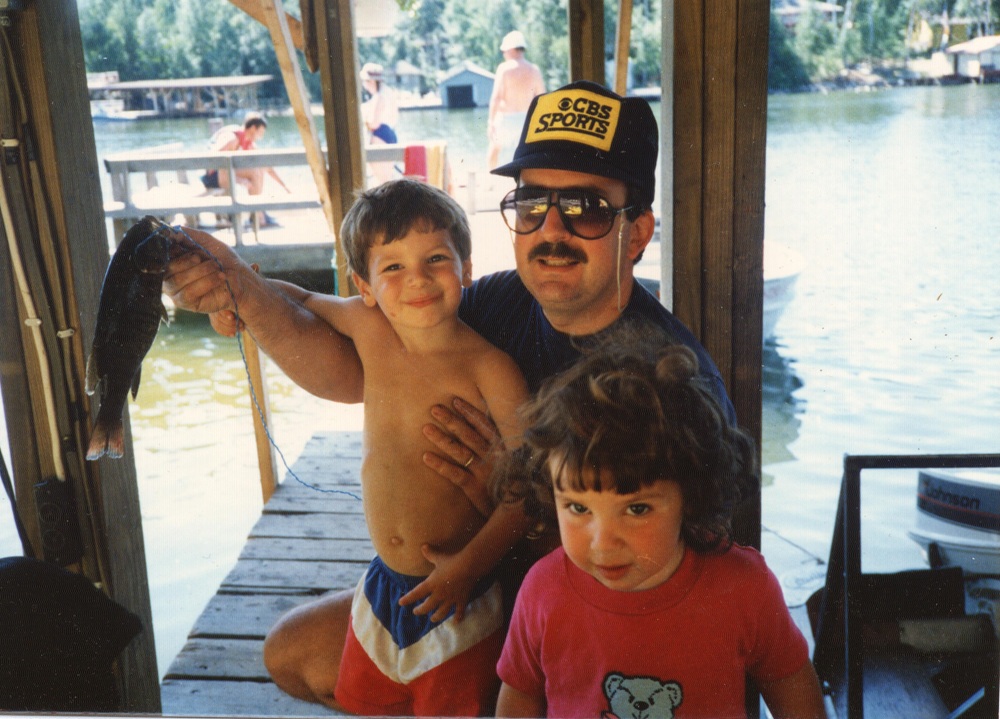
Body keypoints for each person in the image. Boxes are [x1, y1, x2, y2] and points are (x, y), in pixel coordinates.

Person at [163, 80, 739, 710]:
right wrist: (244, 296)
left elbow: (683, 581)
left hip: (590, 624)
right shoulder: (495, 302)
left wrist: (521, 507)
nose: (552, 230)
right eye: (531, 205)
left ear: (637, 232)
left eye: (586, 209)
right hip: (465, 592)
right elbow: (353, 371)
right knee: (295, 656)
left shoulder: (670, 376)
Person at [493, 333, 826, 719]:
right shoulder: (542, 591)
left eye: (636, 509)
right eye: (578, 508)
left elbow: (792, 686)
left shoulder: (745, 587)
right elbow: (520, 697)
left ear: (690, 494)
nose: (603, 544)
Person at [201, 113, 290, 227]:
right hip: (212, 176)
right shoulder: (232, 138)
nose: (261, 137)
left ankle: (258, 213)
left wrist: (285, 187)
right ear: (253, 128)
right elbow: (212, 160)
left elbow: (267, 166)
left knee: (259, 167)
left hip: (223, 174)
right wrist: (239, 180)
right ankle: (258, 216)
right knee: (255, 171)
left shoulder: (247, 141)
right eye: (261, 133)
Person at [487, 31, 545, 170]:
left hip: (506, 120)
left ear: (511, 49)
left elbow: (496, 97)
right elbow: (542, 98)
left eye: (504, 51)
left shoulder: (504, 69)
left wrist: (491, 121)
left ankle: (491, 180)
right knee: (523, 154)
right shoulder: (534, 70)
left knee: (494, 149)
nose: (503, 54)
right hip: (526, 120)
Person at [360, 62, 400, 184]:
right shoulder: (388, 92)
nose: (364, 85)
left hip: (380, 136)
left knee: (383, 181)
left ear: (371, 81)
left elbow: (374, 123)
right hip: (389, 134)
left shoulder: (379, 97)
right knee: (387, 179)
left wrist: (364, 120)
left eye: (365, 81)